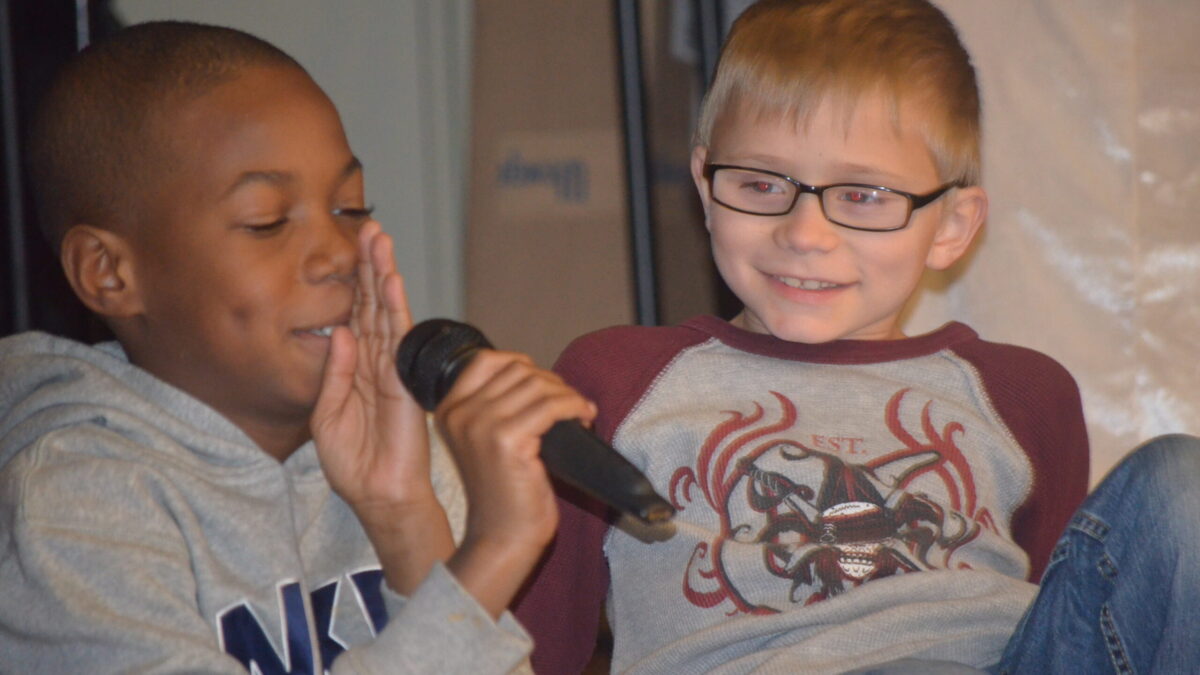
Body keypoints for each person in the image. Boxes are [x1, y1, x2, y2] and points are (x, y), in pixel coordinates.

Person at [512, 1, 1200, 673]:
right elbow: (524, 653)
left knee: (1182, 485)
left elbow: (1066, 628)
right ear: (704, 182)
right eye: (759, 183)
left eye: (863, 195)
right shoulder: (613, 378)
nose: (805, 235)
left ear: (954, 226)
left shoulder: (1026, 393)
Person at [0, 21, 594, 673]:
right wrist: (490, 556)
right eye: (267, 222)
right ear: (110, 273)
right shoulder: (74, 506)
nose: (337, 255)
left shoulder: (400, 444)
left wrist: (404, 518)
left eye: (351, 209)